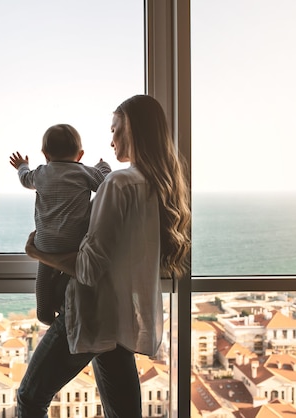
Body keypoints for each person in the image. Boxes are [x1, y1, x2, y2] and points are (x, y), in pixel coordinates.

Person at [17, 95, 191, 418]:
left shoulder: (119, 183)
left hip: (92, 314)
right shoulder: (153, 185)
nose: (111, 140)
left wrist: (38, 253)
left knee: (29, 398)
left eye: (116, 130)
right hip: (120, 321)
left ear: (135, 131)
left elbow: (87, 268)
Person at [9, 123, 111, 325]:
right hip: (75, 242)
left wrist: (22, 165)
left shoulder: (40, 173)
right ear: (80, 155)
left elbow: (24, 179)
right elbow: (106, 184)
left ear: (45, 153)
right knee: (74, 278)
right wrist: (102, 167)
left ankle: (44, 315)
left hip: (45, 244)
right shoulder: (84, 172)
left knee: (44, 281)